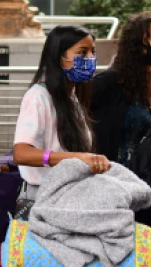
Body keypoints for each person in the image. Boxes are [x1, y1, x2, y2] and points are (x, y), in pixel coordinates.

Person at [14, 25, 111, 199]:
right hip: (43, 197)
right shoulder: (38, 97)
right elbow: (21, 153)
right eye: (82, 52)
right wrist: (76, 158)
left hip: (70, 195)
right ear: (59, 57)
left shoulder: (72, 97)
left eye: (92, 52)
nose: (90, 58)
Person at [91, 12, 151, 224]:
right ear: (139, 46)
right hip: (115, 190)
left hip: (148, 191)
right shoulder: (111, 82)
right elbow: (71, 113)